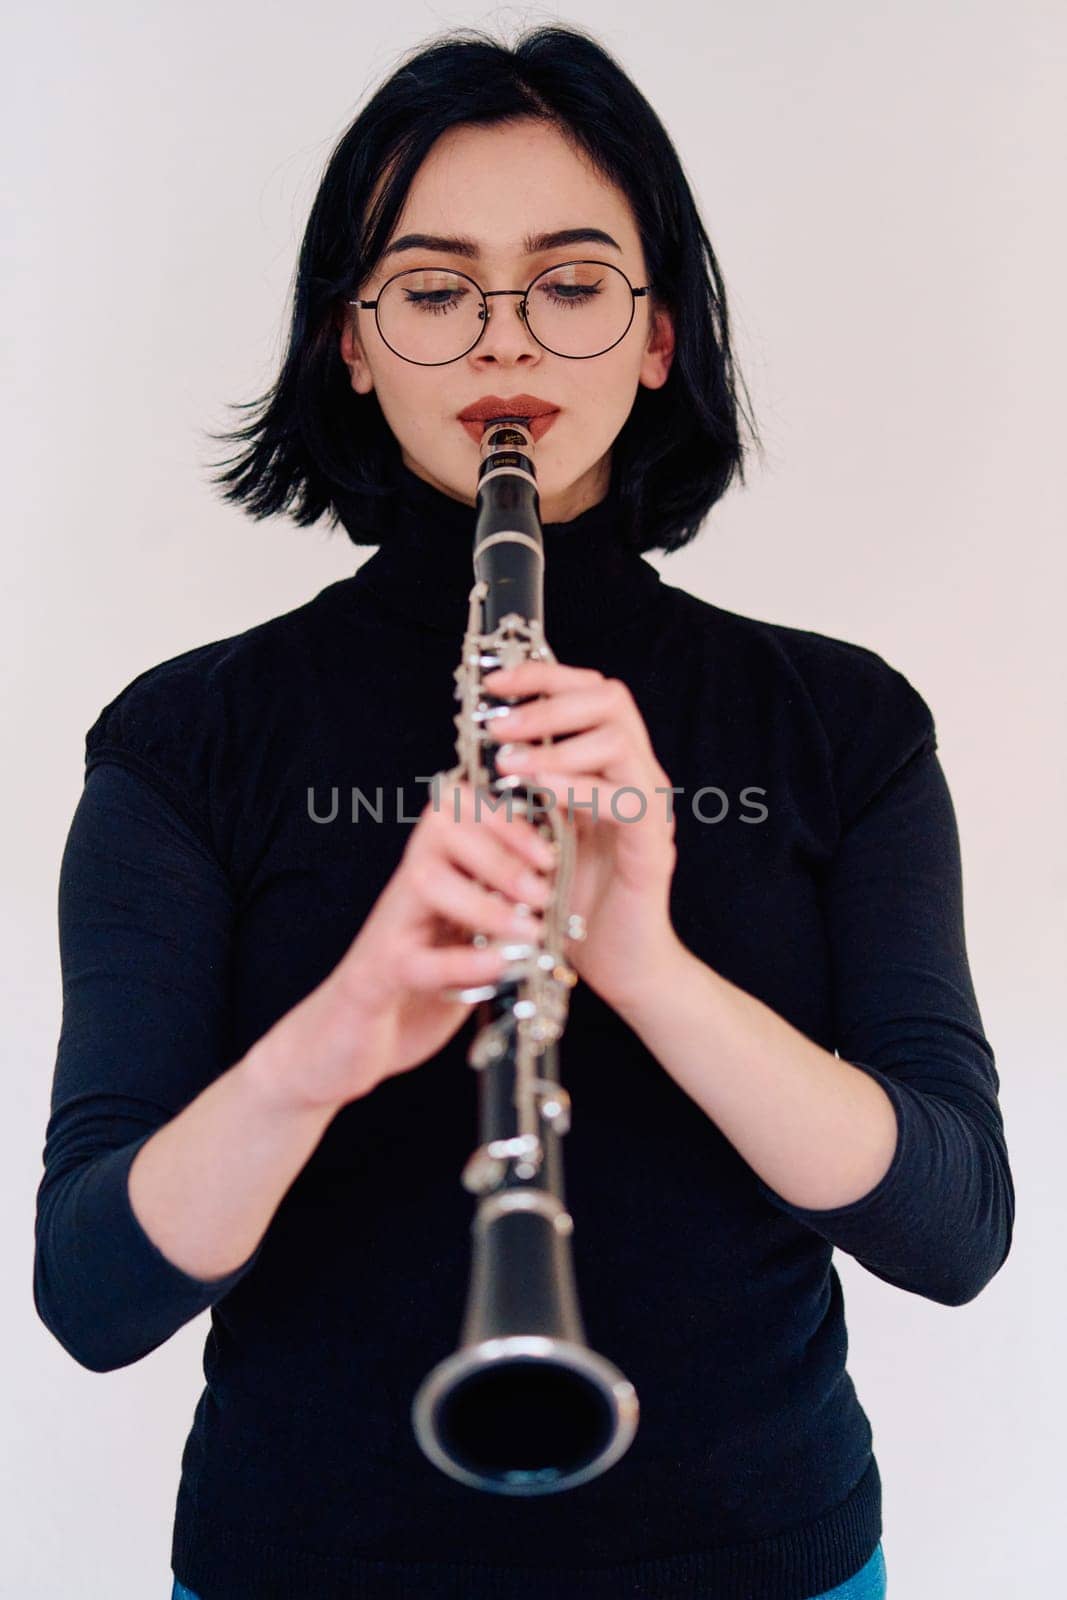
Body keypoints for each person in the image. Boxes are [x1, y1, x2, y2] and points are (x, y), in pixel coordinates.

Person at [33, 24, 1012, 1600]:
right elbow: (92, 1294)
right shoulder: (185, 740)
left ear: (657, 337)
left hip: (766, 1563)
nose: (505, 346)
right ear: (350, 342)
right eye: (433, 291)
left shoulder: (844, 726)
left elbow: (954, 1230)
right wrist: (341, 1028)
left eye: (570, 283)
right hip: (304, 1564)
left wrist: (644, 961)